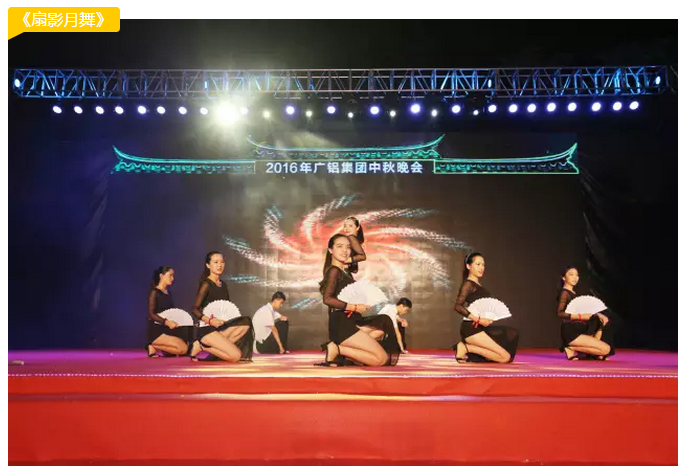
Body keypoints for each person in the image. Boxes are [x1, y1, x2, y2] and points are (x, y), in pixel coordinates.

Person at [317, 234, 400, 367]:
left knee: (383, 323)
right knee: (381, 359)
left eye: (348, 247)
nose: (345, 250)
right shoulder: (333, 271)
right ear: (330, 250)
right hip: (342, 324)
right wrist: (354, 307)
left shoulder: (345, 272)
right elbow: (327, 299)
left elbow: (361, 255)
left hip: (351, 320)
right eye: (339, 246)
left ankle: (342, 352)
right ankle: (337, 349)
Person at [453, 252, 519, 363]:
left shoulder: (477, 285)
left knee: (511, 334)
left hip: (481, 327)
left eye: (483, 265)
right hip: (471, 328)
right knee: (505, 357)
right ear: (468, 266)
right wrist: (478, 319)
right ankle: (466, 347)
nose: (481, 268)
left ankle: (468, 348)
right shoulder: (468, 284)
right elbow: (458, 306)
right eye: (478, 264)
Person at [190, 251, 254, 362]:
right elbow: (194, 309)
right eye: (216, 262)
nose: (220, 265)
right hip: (207, 329)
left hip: (220, 328)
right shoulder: (206, 284)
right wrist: (210, 321)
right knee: (236, 356)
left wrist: (225, 320)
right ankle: (202, 345)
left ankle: (214, 348)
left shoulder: (223, 285)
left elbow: (226, 306)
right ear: (208, 265)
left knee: (246, 323)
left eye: (222, 262)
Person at [556, 266, 614, 360]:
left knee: (604, 348)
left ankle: (582, 352)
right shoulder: (564, 293)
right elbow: (560, 313)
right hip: (571, 330)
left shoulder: (574, 293)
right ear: (564, 277)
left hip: (581, 328)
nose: (575, 278)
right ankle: (570, 348)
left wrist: (598, 314)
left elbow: (584, 310)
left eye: (577, 275)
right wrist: (580, 316)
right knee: (606, 350)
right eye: (571, 275)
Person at [146, 266, 191, 357]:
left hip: (167, 329)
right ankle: (152, 344)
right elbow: (151, 314)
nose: (172, 278)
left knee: (186, 348)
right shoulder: (155, 292)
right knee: (183, 349)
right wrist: (166, 322)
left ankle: (160, 347)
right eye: (170, 275)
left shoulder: (168, 292)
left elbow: (171, 312)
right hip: (157, 330)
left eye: (173, 276)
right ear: (161, 276)